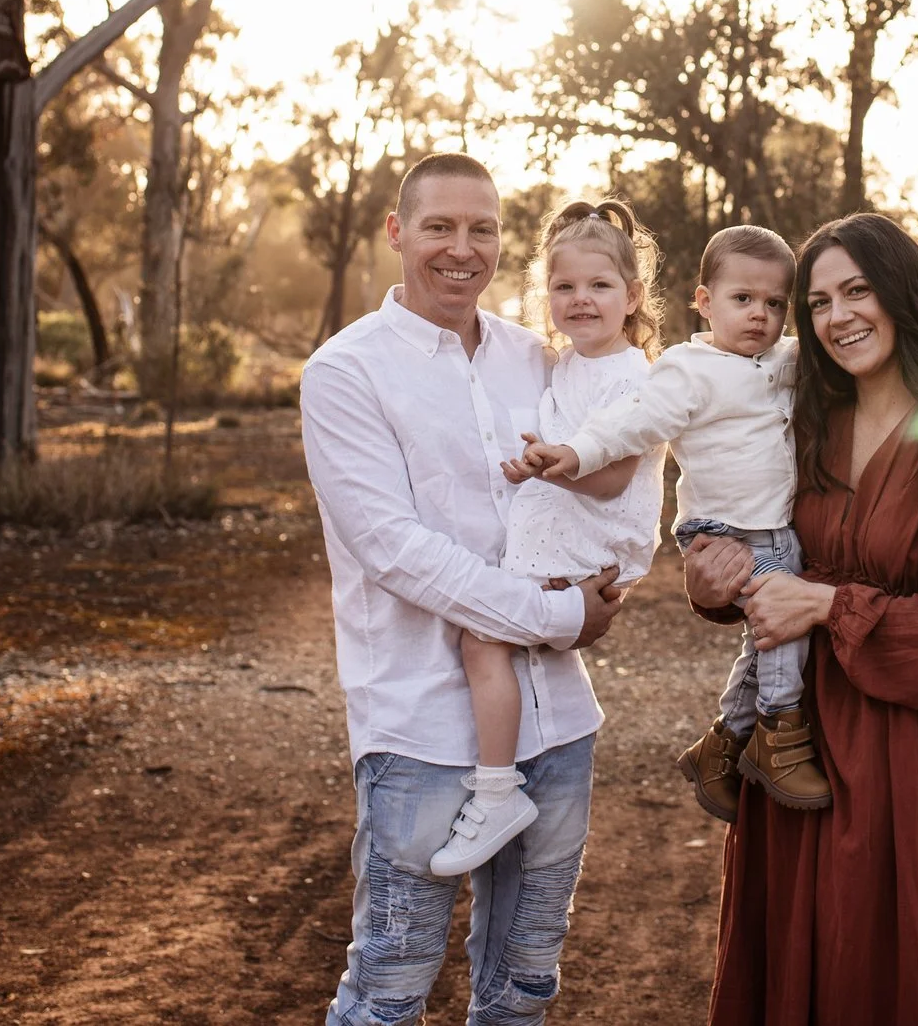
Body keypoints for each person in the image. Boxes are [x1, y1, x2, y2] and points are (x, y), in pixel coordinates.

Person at [299, 152, 627, 1026]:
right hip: (422, 731)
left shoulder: (541, 357)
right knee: (388, 994)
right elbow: (395, 552)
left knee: (523, 988)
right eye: (439, 226)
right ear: (397, 231)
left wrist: (615, 576)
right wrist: (561, 614)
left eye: (482, 228)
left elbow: (610, 476)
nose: (462, 248)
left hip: (556, 721)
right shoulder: (345, 372)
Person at [683, 211, 918, 1026]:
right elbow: (740, 538)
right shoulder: (797, 425)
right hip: (795, 745)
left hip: (910, 753)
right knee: (802, 960)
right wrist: (710, 578)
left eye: (858, 291)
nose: (838, 316)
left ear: (902, 295)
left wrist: (830, 604)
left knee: (888, 962)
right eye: (818, 301)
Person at [512, 224, 831, 815]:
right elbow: (630, 422)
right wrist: (574, 453)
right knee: (787, 615)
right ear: (705, 302)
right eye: (742, 299)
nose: (759, 315)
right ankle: (780, 729)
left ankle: (723, 742)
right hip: (720, 530)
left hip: (776, 528)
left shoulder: (785, 358)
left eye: (773, 304)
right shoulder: (688, 369)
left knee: (762, 641)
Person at [436, 199, 666, 876]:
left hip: (590, 550)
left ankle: (497, 788)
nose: (580, 299)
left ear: (633, 296)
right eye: (564, 286)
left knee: (482, 638)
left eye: (599, 285)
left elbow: (610, 480)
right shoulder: (564, 364)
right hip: (561, 541)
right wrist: (533, 463)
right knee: (486, 641)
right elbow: (555, 456)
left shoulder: (635, 379)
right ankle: (506, 775)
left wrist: (557, 464)